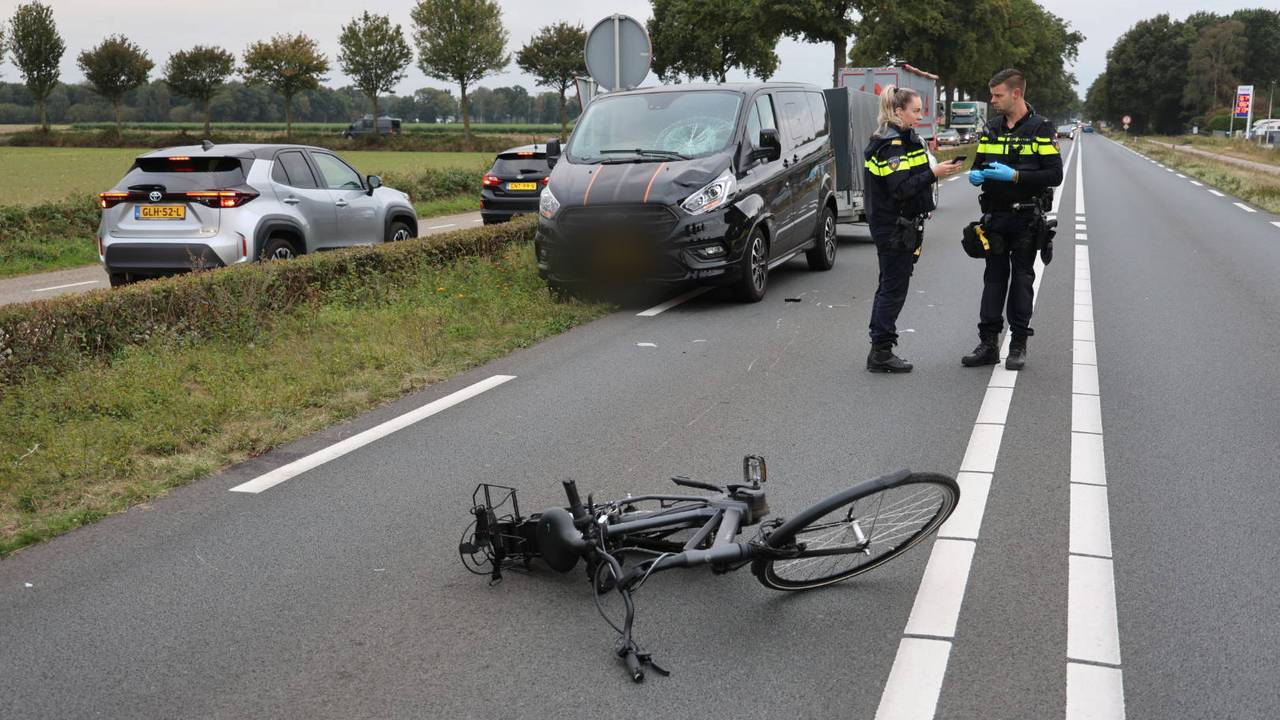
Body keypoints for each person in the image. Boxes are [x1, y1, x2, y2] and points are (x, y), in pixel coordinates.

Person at [962, 68, 1064, 371]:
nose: (992, 100)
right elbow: (978, 163)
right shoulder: (991, 128)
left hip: (1025, 217)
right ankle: (988, 344)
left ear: (1016, 93)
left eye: (998, 95)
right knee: (992, 281)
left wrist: (1017, 175)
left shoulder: (1041, 129)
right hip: (995, 216)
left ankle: (1018, 343)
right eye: (991, 95)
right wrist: (975, 174)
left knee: (1021, 281)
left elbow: (1054, 174)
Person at [863, 85, 966, 373]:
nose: (920, 116)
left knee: (890, 285)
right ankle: (881, 352)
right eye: (915, 110)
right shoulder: (891, 145)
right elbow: (901, 189)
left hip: (902, 224)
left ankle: (880, 347)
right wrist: (934, 173)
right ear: (898, 111)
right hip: (893, 226)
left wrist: (934, 171)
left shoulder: (905, 139)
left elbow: (912, 179)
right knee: (893, 289)